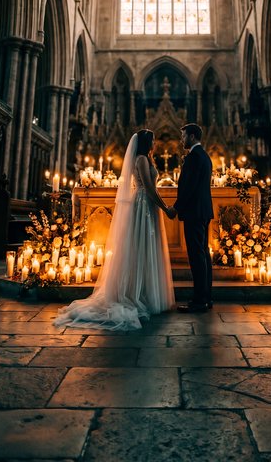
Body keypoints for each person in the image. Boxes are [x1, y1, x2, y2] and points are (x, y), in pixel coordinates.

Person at [53, 130, 175, 331]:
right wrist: (165, 208)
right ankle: (136, 293)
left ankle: (144, 290)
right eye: (153, 140)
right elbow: (149, 188)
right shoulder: (142, 159)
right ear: (146, 143)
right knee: (140, 246)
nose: (156, 143)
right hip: (144, 205)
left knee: (145, 247)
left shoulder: (146, 158)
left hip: (148, 206)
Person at [172, 123, 214, 313]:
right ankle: (206, 297)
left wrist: (176, 208)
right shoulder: (203, 156)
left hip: (195, 213)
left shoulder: (194, 157)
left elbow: (189, 187)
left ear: (192, 136)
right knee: (203, 254)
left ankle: (199, 301)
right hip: (202, 211)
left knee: (197, 256)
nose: (181, 140)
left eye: (183, 136)